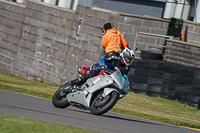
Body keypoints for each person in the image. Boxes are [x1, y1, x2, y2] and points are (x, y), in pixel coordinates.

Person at [63, 47, 135, 93]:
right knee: (93, 72)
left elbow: (124, 77)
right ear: (124, 54)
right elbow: (101, 59)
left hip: (109, 77)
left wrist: (126, 85)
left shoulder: (126, 67)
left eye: (130, 60)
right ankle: (73, 83)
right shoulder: (114, 55)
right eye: (127, 58)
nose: (128, 61)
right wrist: (103, 67)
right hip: (101, 68)